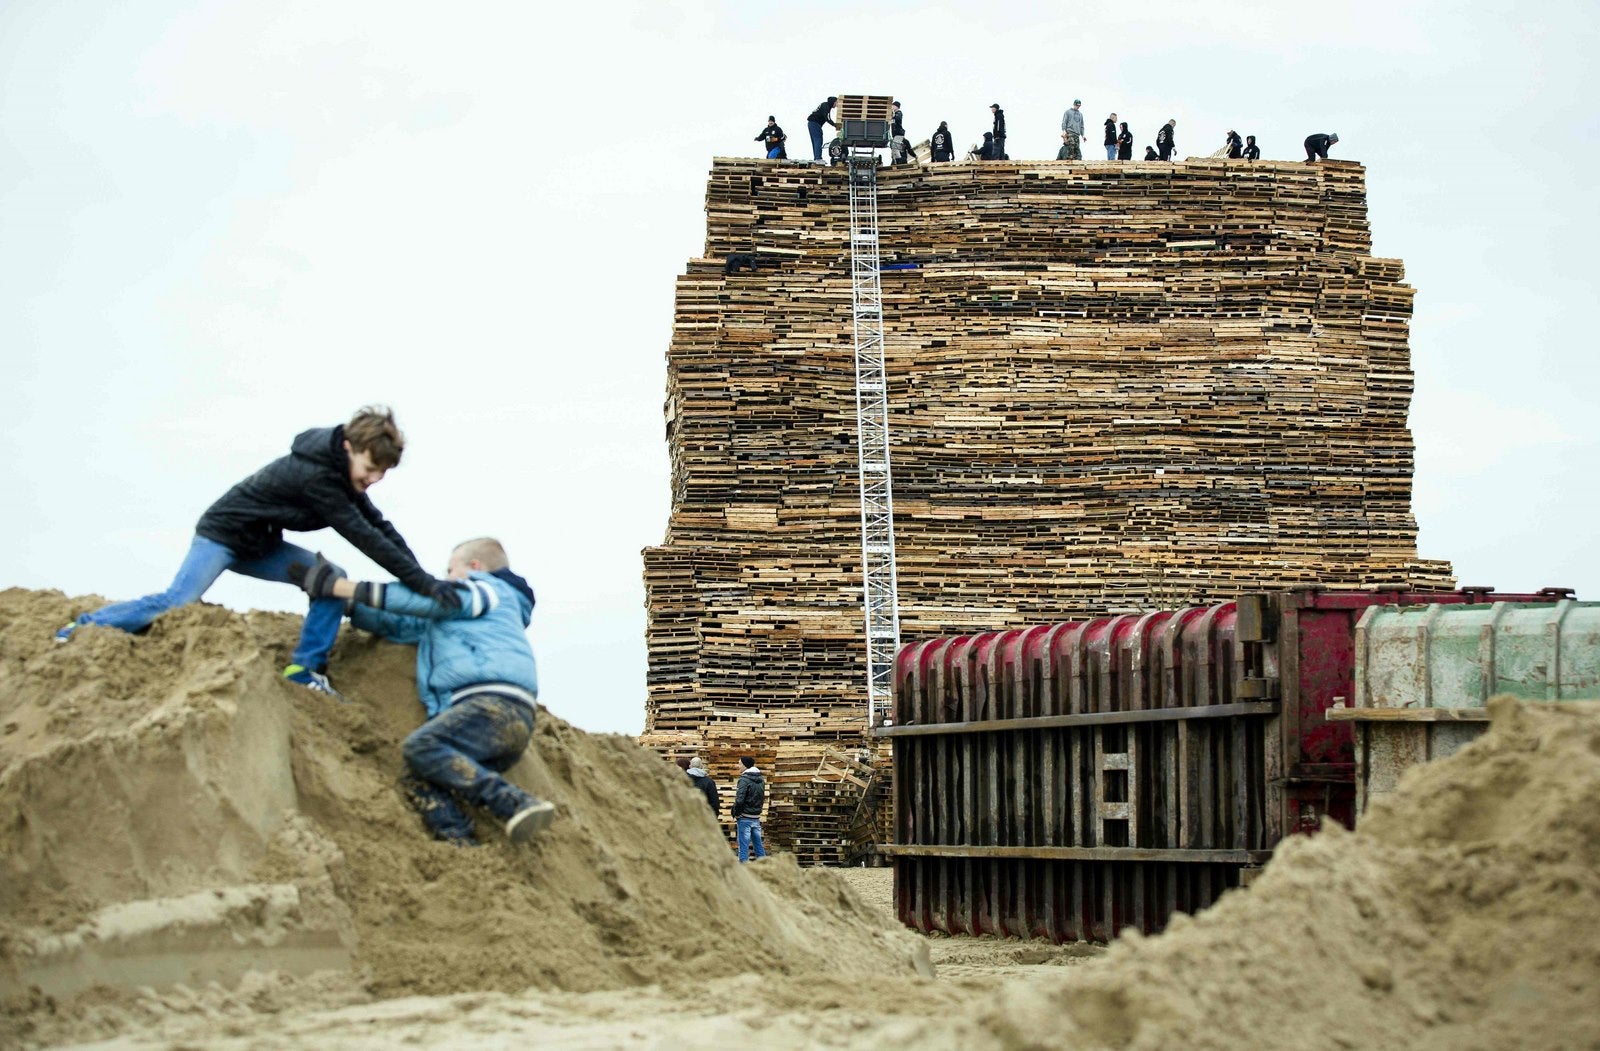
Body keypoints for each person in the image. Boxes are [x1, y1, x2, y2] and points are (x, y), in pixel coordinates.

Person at [56, 406, 457, 695]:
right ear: (350, 446)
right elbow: (361, 535)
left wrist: (425, 579)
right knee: (178, 600)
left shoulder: (342, 474)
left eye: (381, 474)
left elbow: (379, 525)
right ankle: (83, 627)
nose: (374, 479)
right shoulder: (318, 475)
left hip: (260, 545)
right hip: (221, 535)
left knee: (329, 579)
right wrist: (419, 583)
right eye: (370, 469)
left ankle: (304, 669)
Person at [291, 537, 556, 846]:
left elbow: (430, 600)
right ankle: (458, 842)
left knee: (421, 746)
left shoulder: (488, 589)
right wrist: (350, 605)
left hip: (493, 705)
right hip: (504, 725)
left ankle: (516, 802)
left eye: (449, 570)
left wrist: (344, 588)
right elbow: (405, 623)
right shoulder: (461, 618)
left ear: (474, 567)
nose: (443, 579)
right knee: (419, 777)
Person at [731, 756, 767, 861]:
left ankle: (743, 870)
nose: (738, 766)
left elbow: (740, 799)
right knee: (758, 844)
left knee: (743, 846)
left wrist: (736, 813)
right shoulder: (761, 780)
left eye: (740, 764)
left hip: (744, 817)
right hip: (755, 816)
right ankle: (765, 866)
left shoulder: (744, 780)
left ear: (745, 765)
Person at [806, 97, 837, 161]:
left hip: (812, 123)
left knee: (815, 141)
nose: (837, 104)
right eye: (836, 102)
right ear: (833, 102)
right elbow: (827, 118)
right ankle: (818, 158)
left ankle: (816, 157)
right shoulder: (826, 106)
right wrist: (835, 125)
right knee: (818, 140)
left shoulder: (825, 105)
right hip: (814, 123)